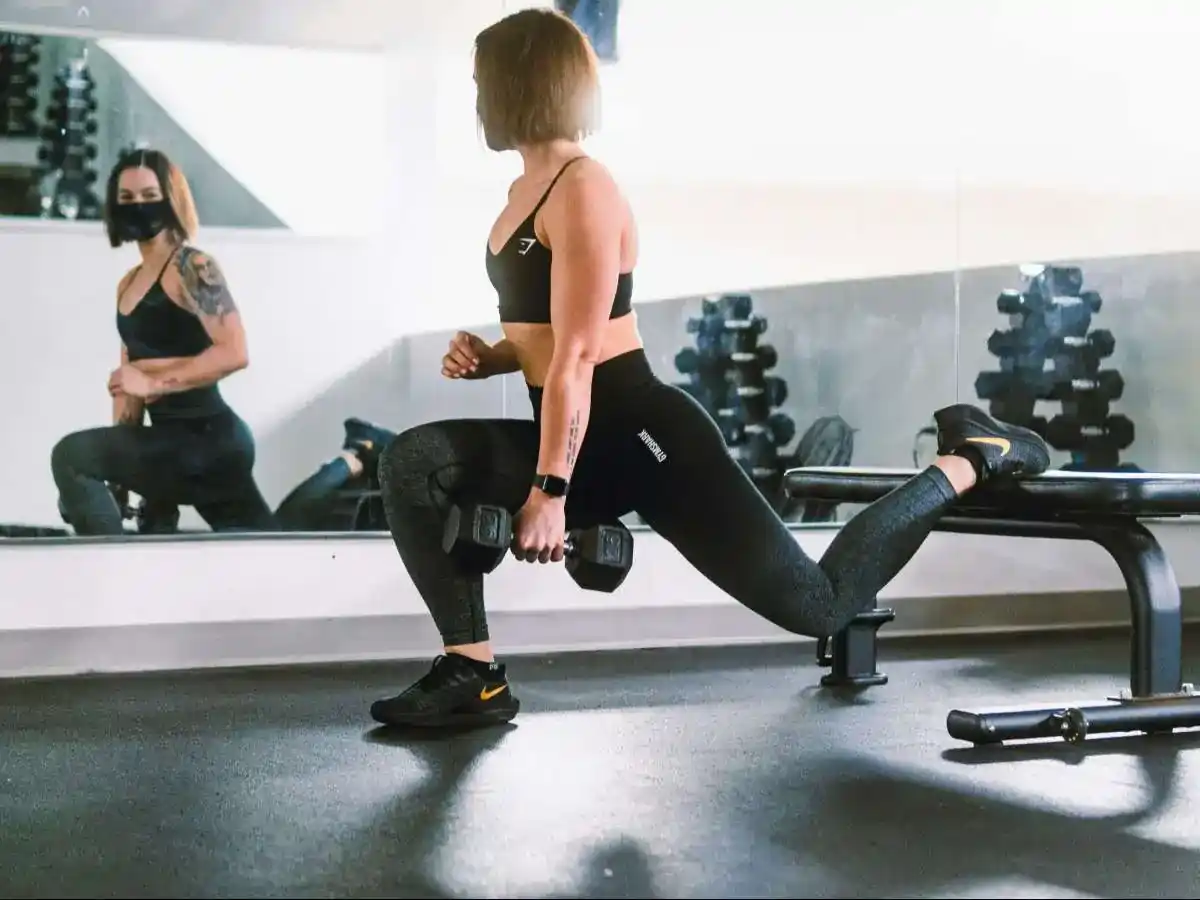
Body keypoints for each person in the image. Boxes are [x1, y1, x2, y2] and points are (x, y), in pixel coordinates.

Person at [370, 8, 1051, 729]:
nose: (475, 102)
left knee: (818, 604)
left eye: (481, 84)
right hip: (570, 433)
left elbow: (579, 354)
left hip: (642, 436)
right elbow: (551, 334)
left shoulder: (583, 189)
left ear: (519, 84)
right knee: (413, 462)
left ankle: (970, 457)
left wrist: (549, 491)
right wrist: (493, 357)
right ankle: (472, 673)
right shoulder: (519, 198)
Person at [51, 147, 277, 536]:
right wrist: (119, 483)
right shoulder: (128, 284)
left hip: (210, 442)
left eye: (149, 196)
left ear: (171, 199)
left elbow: (235, 352)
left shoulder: (193, 266)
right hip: (168, 444)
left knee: (71, 456)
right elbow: (128, 385)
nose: (138, 206)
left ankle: (110, 567)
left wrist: (155, 381)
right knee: (271, 551)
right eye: (127, 199)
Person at [274, 418, 396, 531]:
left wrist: (341, 468)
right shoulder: (337, 495)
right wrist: (341, 468)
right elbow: (285, 520)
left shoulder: (391, 502)